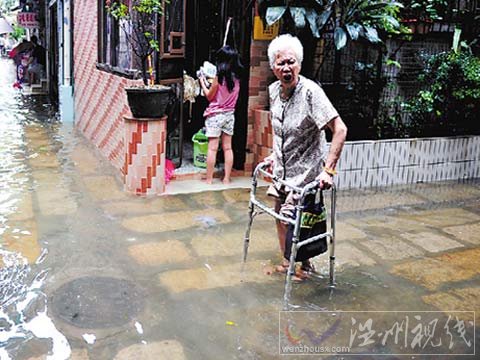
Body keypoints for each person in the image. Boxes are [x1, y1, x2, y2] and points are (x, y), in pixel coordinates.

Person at [265, 34, 347, 280]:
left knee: (294, 220)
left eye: (291, 62)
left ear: (299, 64)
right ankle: (290, 263)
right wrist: (273, 154)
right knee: (280, 215)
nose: (286, 68)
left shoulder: (311, 92)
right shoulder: (272, 91)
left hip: (306, 172)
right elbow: (279, 129)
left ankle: (303, 267)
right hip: (283, 171)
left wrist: (328, 170)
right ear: (273, 67)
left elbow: (340, 129)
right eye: (281, 63)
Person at [198, 45, 243, 184]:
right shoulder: (237, 78)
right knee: (228, 148)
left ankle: (209, 180)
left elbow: (209, 96)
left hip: (216, 115)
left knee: (212, 148)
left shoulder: (219, 78)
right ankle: (227, 179)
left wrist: (202, 82)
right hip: (230, 115)